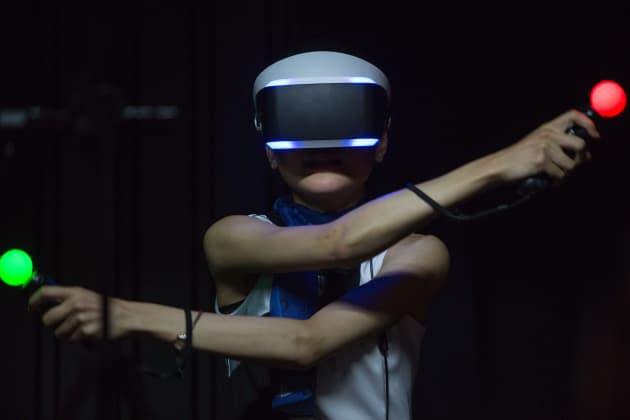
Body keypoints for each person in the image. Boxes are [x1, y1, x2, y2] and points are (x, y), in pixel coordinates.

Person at [28, 50, 599, 420]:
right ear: (270, 153)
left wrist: (127, 314)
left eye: (343, 130)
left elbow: (310, 338)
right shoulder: (233, 238)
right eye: (301, 132)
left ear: (380, 143)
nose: (323, 145)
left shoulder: (419, 253)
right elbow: (334, 245)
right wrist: (502, 162)